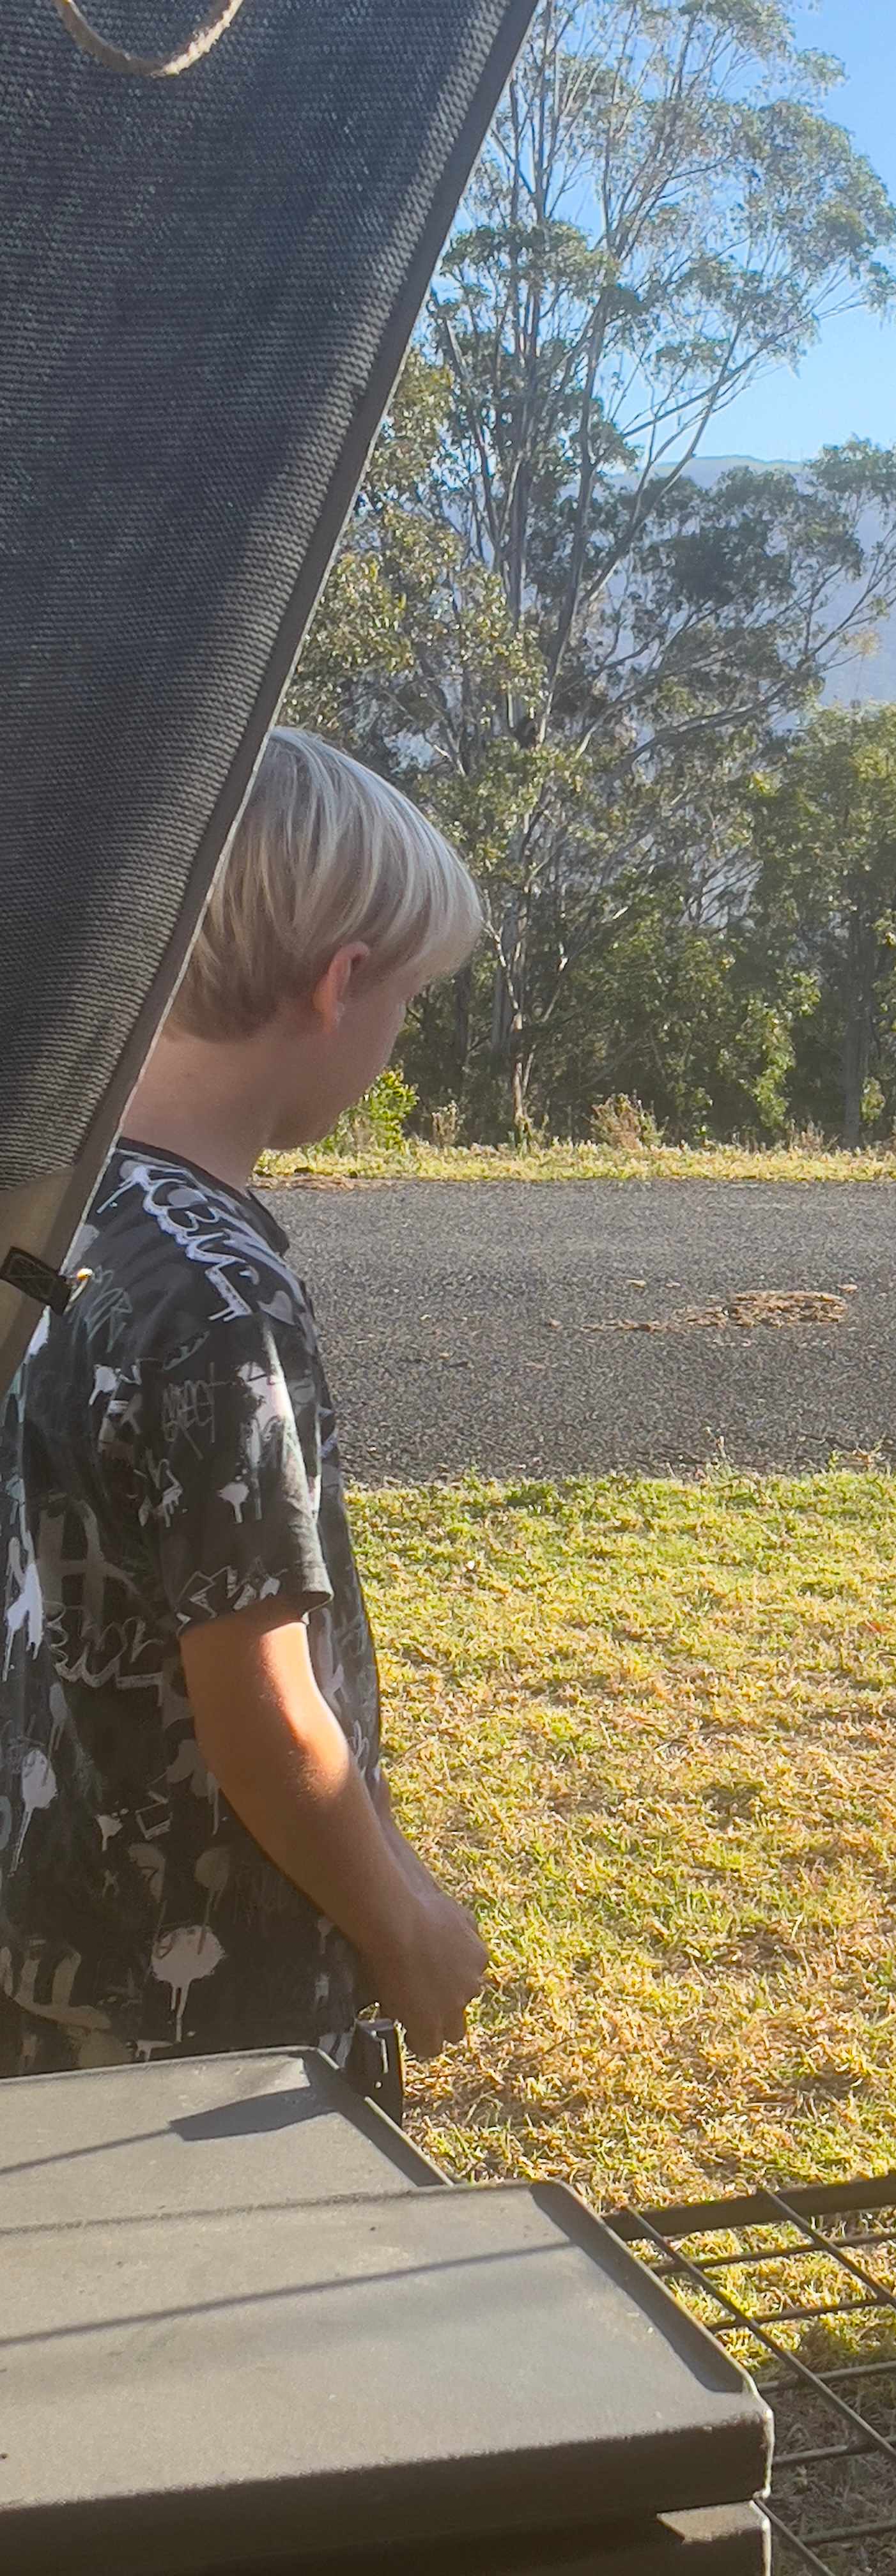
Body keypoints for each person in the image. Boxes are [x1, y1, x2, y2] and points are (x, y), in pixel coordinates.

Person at [0, 729, 489, 2076]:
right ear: (341, 985)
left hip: (41, 1932)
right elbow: (267, 1718)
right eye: (409, 1002)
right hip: (204, 2013)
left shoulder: (60, 1209)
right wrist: (404, 1922)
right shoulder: (225, 1303)